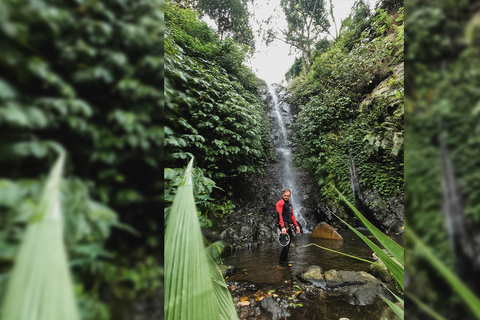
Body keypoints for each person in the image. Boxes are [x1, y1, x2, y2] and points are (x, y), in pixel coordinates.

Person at [276, 189, 300, 265]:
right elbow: (279, 215)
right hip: (283, 226)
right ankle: (281, 263)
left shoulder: (289, 204)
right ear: (282, 195)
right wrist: (282, 227)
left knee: (288, 245)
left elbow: (292, 215)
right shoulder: (280, 203)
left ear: (290, 196)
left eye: (288, 196)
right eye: (285, 195)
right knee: (285, 245)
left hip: (288, 226)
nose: (286, 197)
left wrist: (296, 226)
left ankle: (284, 262)